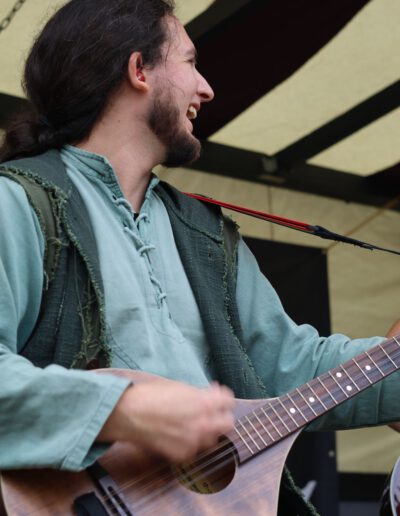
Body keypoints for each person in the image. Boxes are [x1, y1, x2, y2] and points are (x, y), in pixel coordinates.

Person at [0, 1, 399, 514]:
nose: (207, 89)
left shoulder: (207, 235)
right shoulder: (19, 203)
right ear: (138, 70)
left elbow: (293, 369)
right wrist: (122, 410)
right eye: (190, 62)